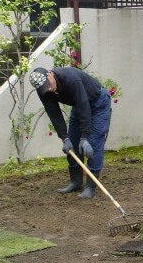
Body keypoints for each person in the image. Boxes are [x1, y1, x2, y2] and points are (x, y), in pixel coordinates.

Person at [29, 67, 112, 199]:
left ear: (50, 74)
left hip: (98, 103)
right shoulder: (44, 90)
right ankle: (76, 181)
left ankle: (90, 187)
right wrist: (64, 137)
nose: (49, 89)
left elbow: (84, 104)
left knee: (94, 143)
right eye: (45, 88)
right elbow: (54, 113)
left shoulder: (71, 79)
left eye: (48, 85)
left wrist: (85, 137)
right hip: (78, 105)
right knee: (72, 142)